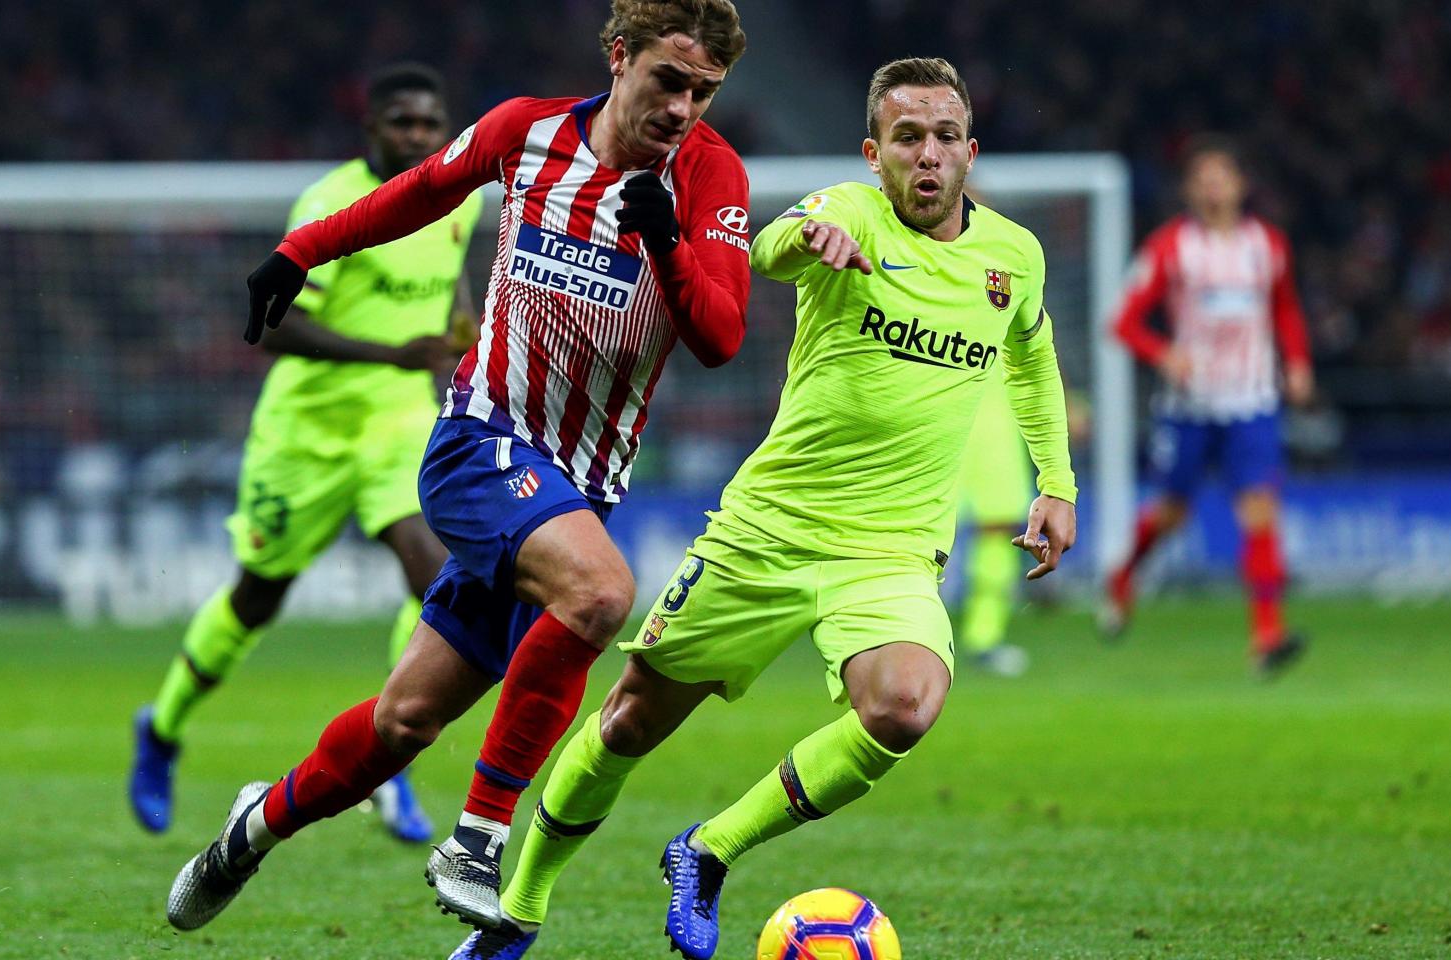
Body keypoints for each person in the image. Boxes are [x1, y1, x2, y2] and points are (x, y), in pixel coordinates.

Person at [452, 57, 1078, 960]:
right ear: (875, 153)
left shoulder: (1014, 256)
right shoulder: (846, 212)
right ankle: (518, 910)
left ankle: (707, 851)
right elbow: (767, 244)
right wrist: (806, 245)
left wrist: (1055, 481)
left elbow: (1031, 355)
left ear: (971, 151)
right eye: (907, 138)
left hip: (892, 550)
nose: (928, 156)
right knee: (630, 718)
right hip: (768, 531)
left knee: (904, 706)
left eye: (945, 137)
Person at [163, 0, 751, 934]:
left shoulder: (710, 174)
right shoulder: (528, 132)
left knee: (403, 722)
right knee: (600, 594)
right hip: (481, 441)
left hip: (576, 486)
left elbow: (721, 336)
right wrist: (300, 250)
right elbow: (421, 191)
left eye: (703, 91)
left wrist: (669, 240)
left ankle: (251, 828)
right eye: (667, 81)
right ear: (618, 57)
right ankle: (477, 840)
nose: (683, 108)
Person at [128, 62, 480, 843]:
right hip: (306, 434)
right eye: (404, 124)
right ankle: (162, 727)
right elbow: (274, 327)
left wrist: (460, 329)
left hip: (395, 425)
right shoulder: (330, 205)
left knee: (434, 576)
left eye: (431, 123)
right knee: (259, 596)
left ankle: (390, 760)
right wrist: (390, 354)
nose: (420, 136)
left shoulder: (459, 198)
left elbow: (447, 280)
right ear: (372, 130)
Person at [1100, 137, 1312, 675]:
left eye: (1224, 176)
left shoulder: (1268, 246)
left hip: (1252, 400)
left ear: (1241, 185)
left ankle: (1267, 637)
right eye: (1204, 178)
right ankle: (1123, 576)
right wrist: (1163, 351)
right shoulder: (1169, 248)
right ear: (1191, 190)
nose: (1215, 186)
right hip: (1189, 406)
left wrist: (1299, 362)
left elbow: (1285, 309)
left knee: (1259, 510)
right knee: (1172, 514)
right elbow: (1121, 322)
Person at [954, 367, 1036, 676]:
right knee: (914, 534)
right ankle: (899, 637)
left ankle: (983, 638)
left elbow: (1035, 347)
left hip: (988, 425)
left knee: (998, 533)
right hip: (942, 419)